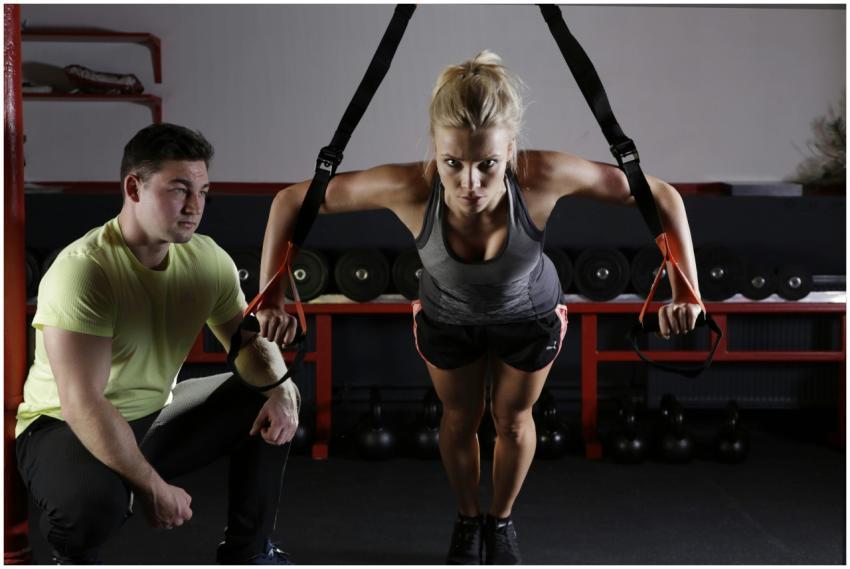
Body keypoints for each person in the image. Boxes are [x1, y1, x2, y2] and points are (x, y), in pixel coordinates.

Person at [256, 51, 702, 565]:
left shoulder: (542, 175)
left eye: (488, 163)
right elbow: (291, 200)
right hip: (449, 317)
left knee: (512, 421)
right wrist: (271, 293)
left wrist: (685, 289)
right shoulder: (410, 186)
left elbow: (660, 196)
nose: (470, 183)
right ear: (437, 152)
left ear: (510, 150)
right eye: (453, 163)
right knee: (459, 418)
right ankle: (469, 519)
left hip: (530, 315)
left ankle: (502, 520)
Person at [15, 123, 301, 565]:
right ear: (134, 187)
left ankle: (250, 552)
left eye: (203, 192)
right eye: (179, 190)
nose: (195, 207)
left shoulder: (207, 260)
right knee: (94, 507)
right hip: (61, 424)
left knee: (274, 391)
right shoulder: (85, 270)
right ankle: (71, 556)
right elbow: (82, 402)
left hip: (152, 414)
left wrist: (280, 391)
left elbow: (248, 345)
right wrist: (152, 486)